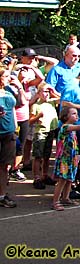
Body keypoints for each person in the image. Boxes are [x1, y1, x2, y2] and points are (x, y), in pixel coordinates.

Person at [51, 106, 80, 210]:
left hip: (72, 158)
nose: (76, 115)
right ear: (66, 117)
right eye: (73, 114)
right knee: (62, 180)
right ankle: (55, 201)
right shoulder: (66, 127)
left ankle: (66, 198)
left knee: (69, 179)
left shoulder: (72, 128)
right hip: (64, 159)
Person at [30, 84, 59, 189]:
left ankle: (45, 175)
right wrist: (38, 116)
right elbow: (30, 120)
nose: (46, 94)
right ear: (38, 93)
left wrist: (53, 91)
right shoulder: (36, 105)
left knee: (47, 154)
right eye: (43, 92)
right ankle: (36, 177)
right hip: (40, 131)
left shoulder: (51, 102)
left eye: (47, 92)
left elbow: (62, 99)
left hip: (50, 131)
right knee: (38, 155)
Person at [0, 66, 19, 207]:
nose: (9, 78)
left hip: (9, 132)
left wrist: (16, 127)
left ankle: (2, 195)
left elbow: (15, 107)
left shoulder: (8, 90)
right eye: (6, 76)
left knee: (5, 166)